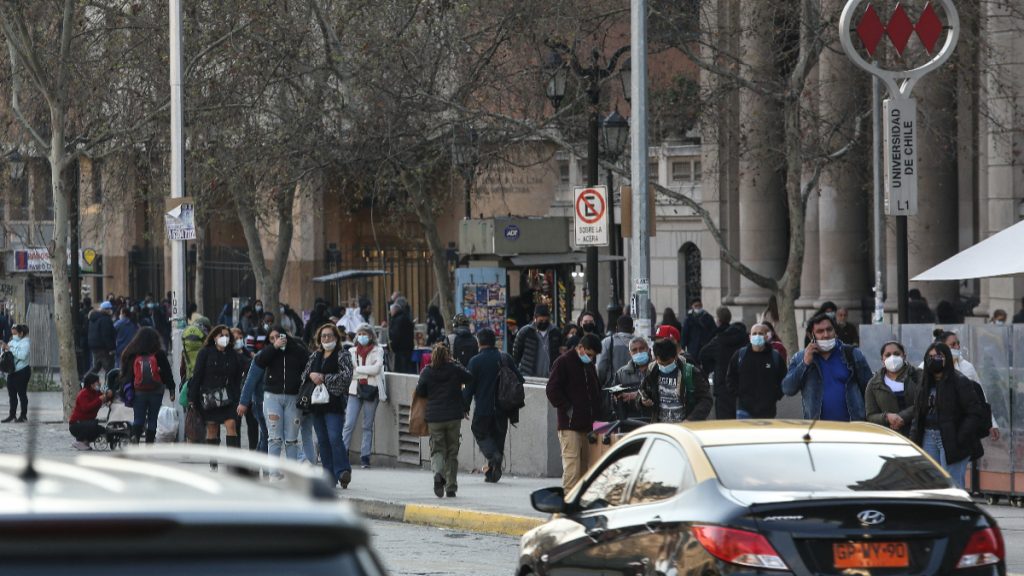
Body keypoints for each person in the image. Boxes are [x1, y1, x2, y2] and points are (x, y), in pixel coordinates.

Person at [910, 343, 986, 489]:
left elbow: (975, 413)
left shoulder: (960, 381)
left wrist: (960, 437)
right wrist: (914, 441)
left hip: (953, 438)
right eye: (930, 357)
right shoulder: (924, 383)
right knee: (932, 483)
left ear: (947, 359)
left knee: (953, 484)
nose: (934, 360)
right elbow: (917, 414)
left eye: (938, 356)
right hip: (928, 436)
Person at [782, 313, 872, 421]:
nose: (826, 335)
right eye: (820, 331)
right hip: (818, 428)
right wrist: (805, 363)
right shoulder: (800, 357)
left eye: (829, 330)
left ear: (835, 331)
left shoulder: (853, 354)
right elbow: (788, 389)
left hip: (852, 425)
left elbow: (869, 390)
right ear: (811, 335)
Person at [545, 333, 604, 491]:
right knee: (572, 468)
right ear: (580, 348)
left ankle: (580, 501)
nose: (591, 358)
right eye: (589, 354)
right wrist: (569, 408)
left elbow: (594, 391)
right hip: (570, 425)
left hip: (588, 426)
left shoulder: (589, 365)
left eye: (594, 356)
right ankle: (568, 500)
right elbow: (552, 390)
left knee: (585, 469)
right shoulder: (563, 362)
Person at [465, 328, 523, 484]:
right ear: (494, 341)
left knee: (479, 431)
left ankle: (493, 458)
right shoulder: (505, 358)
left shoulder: (475, 361)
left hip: (484, 408)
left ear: (479, 342)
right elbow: (519, 379)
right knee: (498, 439)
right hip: (503, 408)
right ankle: (493, 473)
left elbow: (469, 388)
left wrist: (464, 407)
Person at [418, 342, 474, 497]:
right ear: (448, 356)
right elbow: (469, 377)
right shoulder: (455, 369)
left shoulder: (427, 372)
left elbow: (420, 391)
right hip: (453, 417)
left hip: (435, 417)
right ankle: (451, 487)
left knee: (437, 450)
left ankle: (438, 474)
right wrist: (456, 363)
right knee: (452, 452)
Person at [303, 323, 355, 488]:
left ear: (336, 338)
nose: (326, 339)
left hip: (334, 404)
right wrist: (312, 375)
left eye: (330, 336)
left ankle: (343, 471)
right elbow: (304, 375)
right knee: (322, 441)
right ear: (319, 339)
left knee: (334, 438)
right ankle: (329, 476)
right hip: (317, 405)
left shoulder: (343, 355)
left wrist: (325, 377)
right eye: (324, 336)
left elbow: (346, 376)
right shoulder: (315, 356)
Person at [249, 327, 309, 464]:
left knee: (292, 439)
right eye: (272, 338)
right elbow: (260, 361)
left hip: (293, 397)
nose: (277, 340)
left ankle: (292, 473)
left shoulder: (296, 350)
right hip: (272, 396)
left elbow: (307, 364)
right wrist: (273, 347)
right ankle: (273, 475)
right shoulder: (268, 352)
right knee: (274, 438)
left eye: (279, 336)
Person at [188, 325, 244, 465]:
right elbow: (197, 375)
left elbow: (237, 376)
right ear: (214, 337)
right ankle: (213, 463)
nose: (224, 338)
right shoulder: (205, 353)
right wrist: (192, 398)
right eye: (221, 335)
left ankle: (233, 462)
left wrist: (237, 395)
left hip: (228, 397)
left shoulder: (233, 354)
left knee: (231, 424)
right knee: (212, 428)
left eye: (227, 335)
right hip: (210, 397)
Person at [120, 326, 175, 443]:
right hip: (156, 391)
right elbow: (168, 372)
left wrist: (126, 389)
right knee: (153, 419)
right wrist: (171, 389)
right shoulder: (159, 354)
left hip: (138, 391)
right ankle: (149, 444)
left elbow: (125, 374)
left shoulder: (131, 353)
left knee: (138, 418)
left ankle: (135, 436)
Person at [638, 338, 712, 423]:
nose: (665, 367)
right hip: (661, 426)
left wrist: (691, 419)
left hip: (684, 427)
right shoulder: (652, 370)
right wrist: (642, 401)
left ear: (676, 356)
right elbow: (642, 392)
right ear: (656, 358)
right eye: (661, 364)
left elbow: (706, 399)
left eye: (668, 363)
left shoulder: (690, 372)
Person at [345, 324, 387, 469]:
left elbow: (377, 369)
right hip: (354, 390)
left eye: (365, 334)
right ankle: (343, 453)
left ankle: (365, 457)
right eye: (360, 333)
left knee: (367, 425)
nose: (362, 336)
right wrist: (365, 372)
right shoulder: (351, 351)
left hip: (371, 390)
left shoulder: (378, 350)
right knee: (349, 424)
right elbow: (351, 372)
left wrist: (359, 370)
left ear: (371, 336)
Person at [726, 323, 785, 419]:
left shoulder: (775, 357)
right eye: (754, 333)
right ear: (750, 337)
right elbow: (730, 377)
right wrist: (738, 393)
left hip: (767, 411)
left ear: (766, 337)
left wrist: (775, 396)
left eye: (760, 333)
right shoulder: (740, 355)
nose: (757, 336)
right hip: (744, 410)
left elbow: (783, 379)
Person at [865, 341, 922, 436]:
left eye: (896, 354)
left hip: (917, 433)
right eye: (887, 355)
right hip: (888, 435)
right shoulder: (874, 383)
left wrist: (902, 417)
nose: (892, 358)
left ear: (904, 356)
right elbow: (870, 415)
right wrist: (887, 417)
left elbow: (923, 402)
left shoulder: (918, 376)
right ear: (882, 360)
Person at [698, 307, 746, 420]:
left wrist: (711, 367)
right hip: (743, 386)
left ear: (718, 320)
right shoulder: (745, 339)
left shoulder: (719, 339)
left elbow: (703, 354)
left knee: (724, 423)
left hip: (722, 386)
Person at [608, 336, 654, 421]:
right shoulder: (621, 374)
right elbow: (614, 402)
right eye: (634, 350)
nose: (638, 352)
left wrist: (637, 395)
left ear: (648, 349)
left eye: (641, 348)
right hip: (631, 423)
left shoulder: (657, 369)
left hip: (653, 421)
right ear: (630, 353)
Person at [513, 304, 564, 378]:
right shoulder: (525, 332)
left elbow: (560, 353)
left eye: (546, 320)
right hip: (528, 376)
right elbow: (516, 354)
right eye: (541, 320)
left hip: (550, 376)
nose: (543, 322)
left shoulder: (555, 332)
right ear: (535, 318)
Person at [236, 335, 268, 453]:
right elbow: (250, 380)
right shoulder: (260, 357)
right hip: (250, 399)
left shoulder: (251, 356)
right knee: (266, 434)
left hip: (256, 399)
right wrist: (243, 402)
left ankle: (255, 459)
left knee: (262, 433)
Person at [70, 373, 113, 450]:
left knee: (102, 431)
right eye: (97, 382)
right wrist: (99, 400)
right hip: (76, 424)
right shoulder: (83, 394)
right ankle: (80, 441)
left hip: (88, 422)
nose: (99, 383)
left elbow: (103, 398)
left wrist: (108, 396)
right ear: (91, 384)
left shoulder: (96, 392)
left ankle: (86, 441)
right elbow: (86, 408)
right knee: (92, 425)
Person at [2, 324, 31, 423]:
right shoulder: (12, 342)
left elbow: (22, 356)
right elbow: (6, 353)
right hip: (12, 371)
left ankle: (23, 415)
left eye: (16, 332)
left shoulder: (26, 343)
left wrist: (10, 349)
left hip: (22, 371)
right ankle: (12, 415)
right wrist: (4, 348)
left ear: (21, 333)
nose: (14, 334)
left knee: (22, 394)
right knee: (12, 395)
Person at [597, 315, 634, 387]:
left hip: (613, 386)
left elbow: (601, 368)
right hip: (635, 386)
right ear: (633, 329)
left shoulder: (607, 342)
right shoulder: (640, 343)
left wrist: (602, 383)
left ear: (616, 329)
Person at [87, 301, 117, 380]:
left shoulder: (94, 318)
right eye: (110, 309)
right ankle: (109, 385)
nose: (112, 311)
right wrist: (111, 348)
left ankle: (85, 380)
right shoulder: (105, 319)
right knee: (109, 368)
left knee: (96, 366)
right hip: (104, 348)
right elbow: (106, 335)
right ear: (107, 310)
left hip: (95, 346)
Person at [388, 303, 416, 374]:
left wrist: (392, 346)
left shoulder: (397, 320)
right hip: (408, 348)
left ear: (394, 310)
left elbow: (396, 335)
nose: (390, 313)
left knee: (400, 370)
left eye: (390, 311)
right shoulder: (406, 317)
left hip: (400, 349)